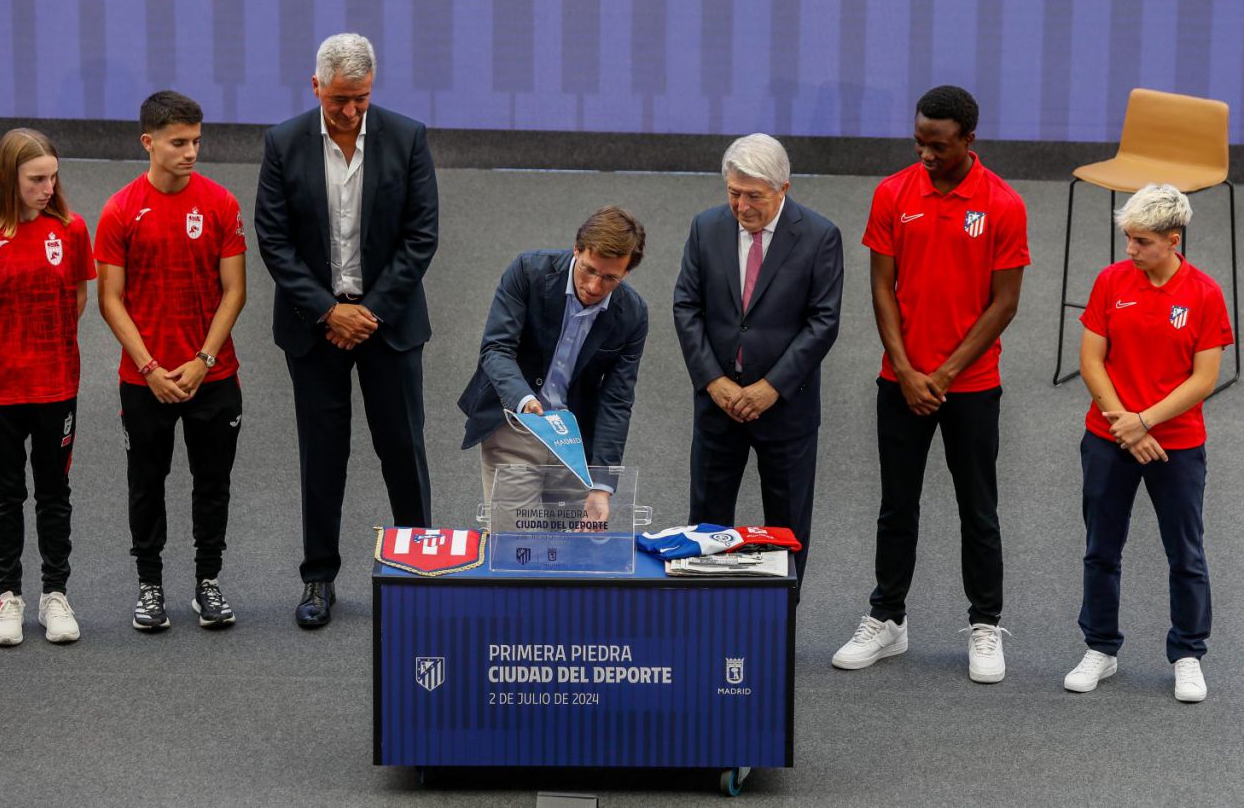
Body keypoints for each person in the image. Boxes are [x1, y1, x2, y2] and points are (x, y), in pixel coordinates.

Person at [832, 85, 1029, 683]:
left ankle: (985, 625)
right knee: (897, 506)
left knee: (978, 510)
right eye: (919, 141)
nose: (925, 154)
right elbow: (881, 289)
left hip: (971, 386)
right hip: (901, 382)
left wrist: (942, 374)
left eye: (938, 145)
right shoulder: (893, 193)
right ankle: (887, 619)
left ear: (969, 140)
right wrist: (908, 370)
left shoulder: (1003, 205)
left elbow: (1005, 303)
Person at [255, 33, 438, 628]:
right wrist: (328, 311)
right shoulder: (283, 143)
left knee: (403, 450)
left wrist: (369, 312)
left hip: (388, 323)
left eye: (361, 99)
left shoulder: (408, 138)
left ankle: (419, 573)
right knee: (322, 455)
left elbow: (420, 237)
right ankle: (318, 579)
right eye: (340, 101)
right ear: (316, 88)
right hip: (316, 328)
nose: (352, 112)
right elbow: (275, 241)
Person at [1064, 184, 1230, 703]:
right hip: (1109, 438)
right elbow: (1091, 361)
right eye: (1128, 240)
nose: (1129, 251)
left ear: (1172, 240)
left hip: (1175, 444)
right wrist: (1125, 425)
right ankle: (1101, 648)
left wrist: (1145, 422)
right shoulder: (1111, 282)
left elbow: (1204, 379)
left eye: (1140, 242)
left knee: (1186, 553)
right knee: (1101, 550)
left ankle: (1187, 654)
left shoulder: (1204, 294)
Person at [96, 91, 247, 632]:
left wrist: (203, 360)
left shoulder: (221, 204)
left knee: (213, 484)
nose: (190, 152)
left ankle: (208, 582)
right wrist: (150, 370)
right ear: (149, 142)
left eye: (196, 141)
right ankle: (150, 587)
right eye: (179, 142)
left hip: (213, 374)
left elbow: (234, 291)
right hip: (146, 381)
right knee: (147, 482)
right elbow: (109, 299)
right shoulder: (119, 210)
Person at [672, 133, 843, 585]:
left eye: (754, 196)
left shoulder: (819, 236)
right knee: (706, 523)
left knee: (786, 526)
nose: (741, 206)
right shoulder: (705, 228)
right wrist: (713, 380)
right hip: (718, 404)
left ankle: (779, 622)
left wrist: (771, 388)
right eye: (733, 193)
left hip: (785, 409)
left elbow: (823, 322)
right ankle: (703, 617)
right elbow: (686, 306)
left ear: (783, 189)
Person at [0, 129, 95, 646]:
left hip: (57, 385)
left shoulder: (71, 230)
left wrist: (45, 344)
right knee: (5, 494)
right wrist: (1, 344)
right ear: (9, 179)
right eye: (36, 179)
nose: (48, 187)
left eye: (52, 177)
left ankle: (54, 595)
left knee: (54, 492)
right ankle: (8, 598)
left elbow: (79, 298)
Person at [458, 206, 648, 521]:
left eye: (610, 278)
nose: (594, 287)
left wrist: (602, 485)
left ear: (627, 273)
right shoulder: (528, 272)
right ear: (576, 250)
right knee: (516, 552)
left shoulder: (632, 314)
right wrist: (523, 398)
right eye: (588, 269)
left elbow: (617, 400)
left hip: (574, 442)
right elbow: (496, 348)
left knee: (576, 555)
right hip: (515, 425)